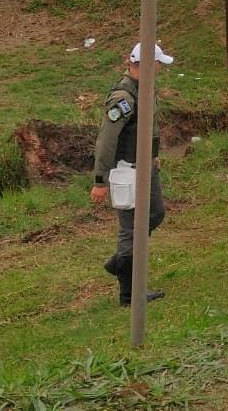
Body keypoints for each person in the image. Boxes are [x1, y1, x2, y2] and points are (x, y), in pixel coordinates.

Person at [91, 41, 172, 306]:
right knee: (130, 230)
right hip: (127, 172)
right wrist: (100, 180)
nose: (160, 69)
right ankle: (129, 293)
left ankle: (120, 261)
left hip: (146, 167)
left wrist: (152, 155)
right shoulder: (123, 99)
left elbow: (147, 129)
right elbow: (106, 140)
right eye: (158, 64)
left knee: (155, 213)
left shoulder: (143, 90)